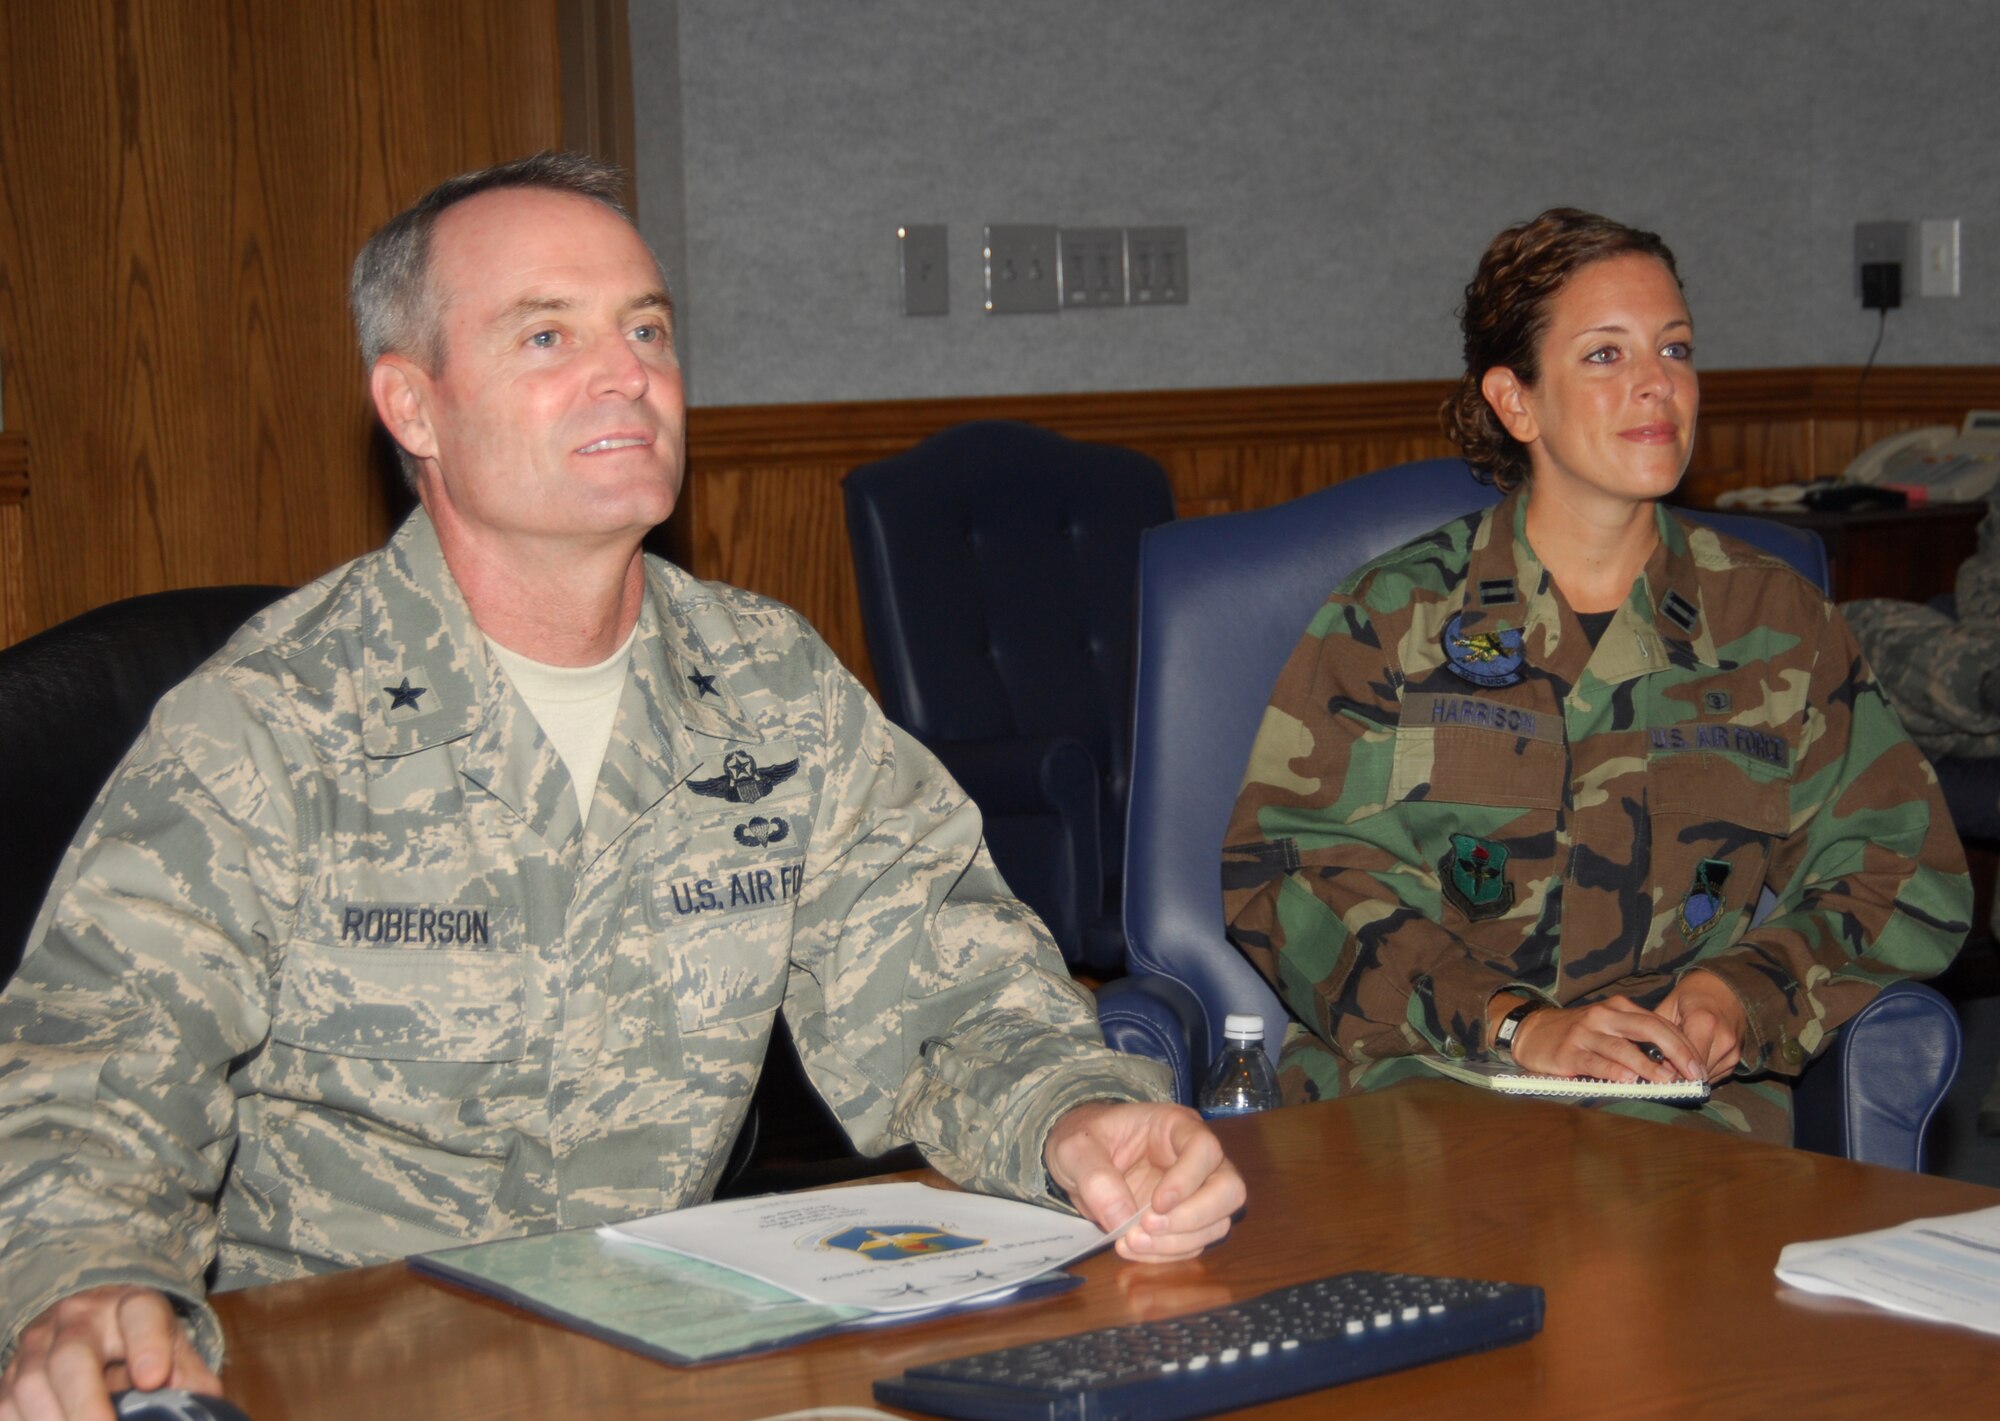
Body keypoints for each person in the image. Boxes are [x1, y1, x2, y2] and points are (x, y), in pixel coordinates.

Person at [0, 153, 1243, 1419]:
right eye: (547, 334)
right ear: (413, 406)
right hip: (336, 1371)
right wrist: (87, 1283)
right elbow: (93, 1073)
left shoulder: (769, 688)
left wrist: (1078, 1115)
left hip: (670, 1358)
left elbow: (951, 987)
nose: (626, 373)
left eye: (645, 329)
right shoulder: (270, 722)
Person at [1221, 208, 1969, 1141]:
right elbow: (1291, 871)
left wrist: (1742, 991)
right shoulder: (1394, 618)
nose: (1659, 383)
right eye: (1606, 355)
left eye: (1675, 348)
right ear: (1516, 402)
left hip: (1673, 1111)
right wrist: (1513, 1023)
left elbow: (1903, 869)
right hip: (1427, 1092)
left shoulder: (1774, 622)